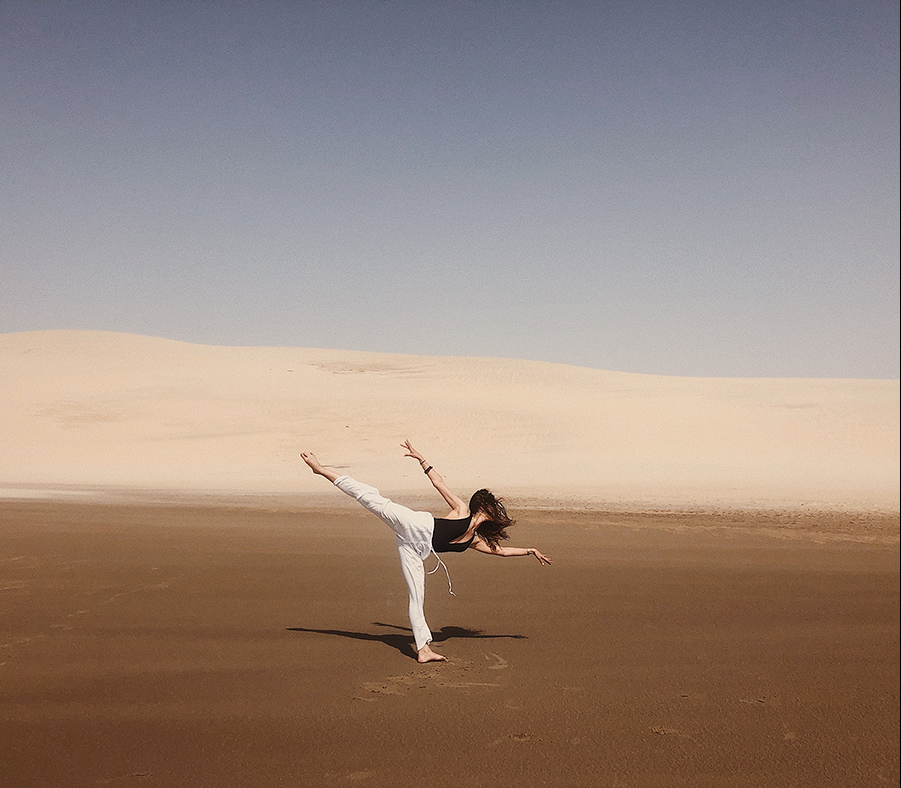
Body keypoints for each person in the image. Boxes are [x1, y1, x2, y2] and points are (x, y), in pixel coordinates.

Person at [300, 440, 552, 663]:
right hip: (414, 524)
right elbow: (438, 483)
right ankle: (320, 469)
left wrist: (530, 550)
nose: (496, 511)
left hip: (413, 548)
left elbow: (502, 552)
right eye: (492, 506)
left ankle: (423, 649)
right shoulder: (462, 510)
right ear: (483, 506)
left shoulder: (474, 540)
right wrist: (421, 459)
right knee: (371, 498)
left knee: (417, 597)